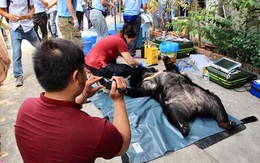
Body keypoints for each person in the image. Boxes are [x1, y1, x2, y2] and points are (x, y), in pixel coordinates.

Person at [15, 38, 131, 162]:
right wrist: (118, 99)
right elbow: (122, 146)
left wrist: (84, 95)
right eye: (84, 69)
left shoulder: (26, 108)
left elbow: (58, 116)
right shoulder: (95, 130)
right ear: (77, 76)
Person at [0, 0, 40, 87]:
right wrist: (9, 16)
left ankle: (48, 66)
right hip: (15, 28)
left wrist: (30, 14)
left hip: (28, 27)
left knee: (40, 48)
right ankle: (18, 75)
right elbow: (1, 10)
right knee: (16, 53)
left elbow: (32, 8)